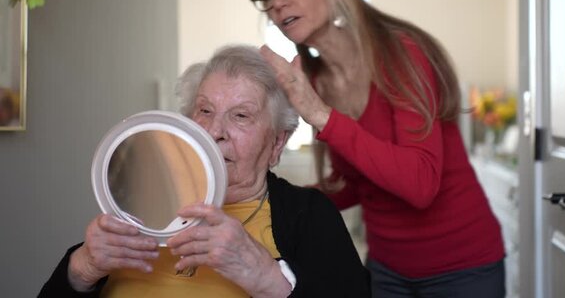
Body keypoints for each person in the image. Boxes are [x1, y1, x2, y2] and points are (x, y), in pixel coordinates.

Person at [247, 0, 506, 297]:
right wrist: (267, 197)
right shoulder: (317, 80)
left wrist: (322, 115)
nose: (277, 3)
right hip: (387, 271)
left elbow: (420, 185)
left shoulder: (401, 53)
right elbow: (357, 181)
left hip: (462, 271)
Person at [38, 45, 371, 298]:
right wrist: (82, 268)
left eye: (241, 116)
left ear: (276, 144)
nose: (215, 131)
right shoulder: (145, 201)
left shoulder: (308, 215)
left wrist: (267, 277)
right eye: (205, 110)